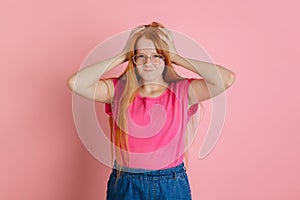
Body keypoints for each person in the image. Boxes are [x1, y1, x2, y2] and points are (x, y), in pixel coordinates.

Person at [67, 21, 236, 200]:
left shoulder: (182, 91)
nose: (148, 63)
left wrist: (177, 57)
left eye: (157, 55)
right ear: (133, 59)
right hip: (127, 184)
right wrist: (121, 56)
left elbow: (226, 79)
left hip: (170, 184)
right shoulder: (118, 91)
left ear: (166, 59)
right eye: (141, 56)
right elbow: (76, 83)